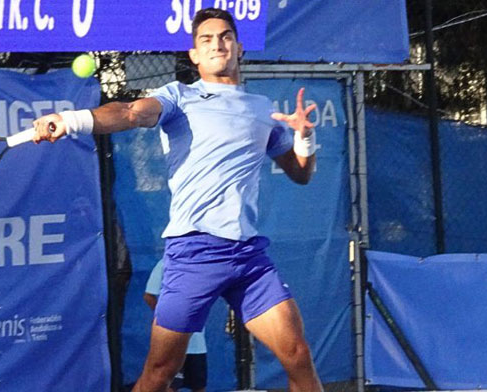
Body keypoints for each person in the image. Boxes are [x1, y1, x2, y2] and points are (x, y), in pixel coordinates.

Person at [32, 7, 322, 392]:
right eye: (206, 40)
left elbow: (300, 172)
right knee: (160, 373)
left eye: (225, 37)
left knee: (298, 355)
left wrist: (304, 136)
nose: (217, 44)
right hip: (195, 253)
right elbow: (130, 112)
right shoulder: (179, 97)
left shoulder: (262, 110)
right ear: (194, 55)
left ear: (238, 47)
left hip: (248, 256)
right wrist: (72, 121)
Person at [144, 259, 207, 392]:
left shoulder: (203, 266)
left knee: (199, 386)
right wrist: (167, 319)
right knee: (170, 386)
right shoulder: (164, 264)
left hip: (197, 345)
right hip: (171, 343)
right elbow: (149, 295)